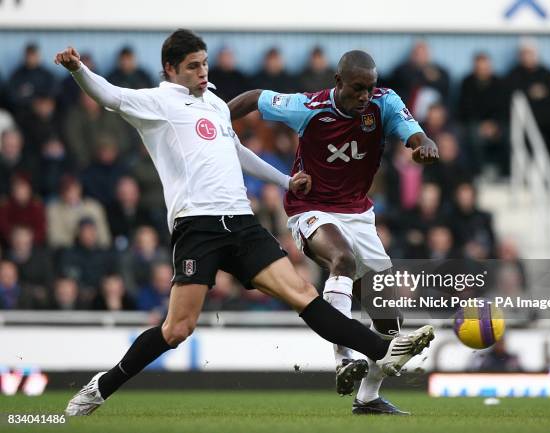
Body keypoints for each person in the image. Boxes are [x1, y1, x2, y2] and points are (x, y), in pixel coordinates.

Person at [55, 29, 434, 416]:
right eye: (192, 67)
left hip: (240, 221)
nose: (203, 72)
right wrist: (78, 69)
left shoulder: (216, 105)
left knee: (303, 293)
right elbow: (108, 95)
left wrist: (286, 180)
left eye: (204, 64)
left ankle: (382, 349)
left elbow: (236, 152)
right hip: (197, 226)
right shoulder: (157, 102)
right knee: (177, 329)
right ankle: (101, 386)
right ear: (170, 69)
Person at [229, 50, 439, 415]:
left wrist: (425, 146)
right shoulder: (307, 107)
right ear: (338, 82)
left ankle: (368, 397)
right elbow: (254, 98)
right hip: (310, 209)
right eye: (358, 89)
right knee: (341, 258)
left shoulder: (384, 102)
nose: (365, 96)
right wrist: (213, 120)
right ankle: (343, 358)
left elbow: (415, 135)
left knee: (389, 318)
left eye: (370, 88)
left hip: (359, 213)